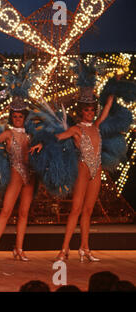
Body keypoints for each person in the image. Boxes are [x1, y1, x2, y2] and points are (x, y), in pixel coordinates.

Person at [55, 87, 114, 262]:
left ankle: (85, 248)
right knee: (76, 209)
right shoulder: (76, 129)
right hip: (83, 169)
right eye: (86, 110)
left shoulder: (96, 126)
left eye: (92, 110)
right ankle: (64, 248)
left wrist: (114, 86)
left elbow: (108, 106)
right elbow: (58, 137)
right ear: (81, 111)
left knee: (88, 210)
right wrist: (43, 143)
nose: (90, 112)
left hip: (97, 170)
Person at [0, 108, 42, 262]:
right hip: (15, 174)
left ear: (24, 118)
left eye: (20, 116)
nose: (17, 119)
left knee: (23, 213)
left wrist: (41, 145)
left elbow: (44, 145)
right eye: (14, 116)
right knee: (6, 211)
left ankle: (19, 249)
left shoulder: (31, 135)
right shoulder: (8, 134)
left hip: (30, 176)